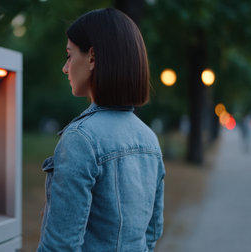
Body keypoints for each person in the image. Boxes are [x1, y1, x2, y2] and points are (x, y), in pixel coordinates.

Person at [37, 8, 165, 252]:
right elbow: (151, 234)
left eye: (69, 55)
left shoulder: (81, 139)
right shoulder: (150, 140)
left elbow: (60, 247)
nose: (65, 68)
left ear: (92, 57)